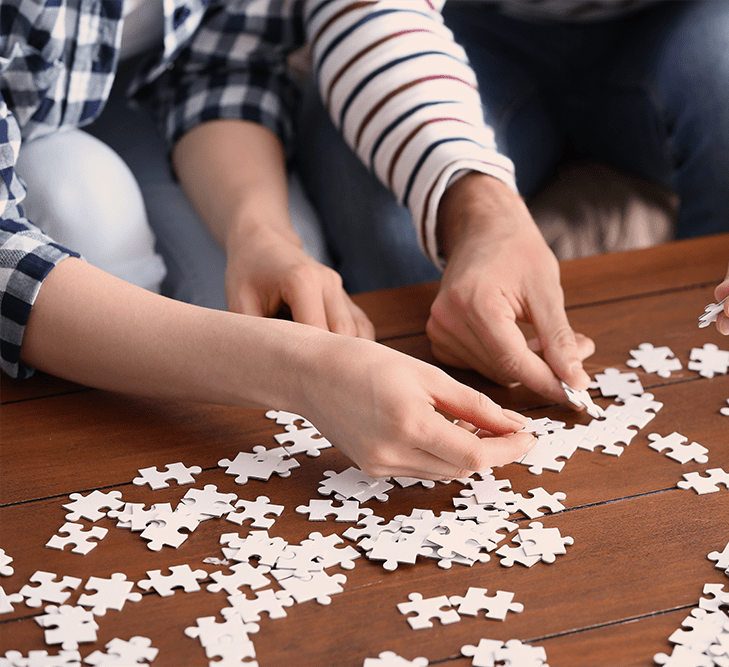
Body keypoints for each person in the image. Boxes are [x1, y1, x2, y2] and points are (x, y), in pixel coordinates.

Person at [290, 0, 729, 404]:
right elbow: (360, 11)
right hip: (460, 29)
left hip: (710, 29)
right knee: (375, 187)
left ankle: (726, 407)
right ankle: (436, 417)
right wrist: (471, 203)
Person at [0, 0, 535, 479]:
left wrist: (262, 235)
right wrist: (301, 371)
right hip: (33, 133)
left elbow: (224, 66)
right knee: (86, 204)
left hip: (139, 96)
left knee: (281, 278)